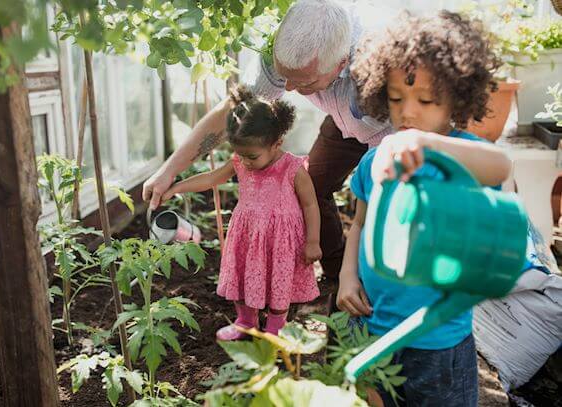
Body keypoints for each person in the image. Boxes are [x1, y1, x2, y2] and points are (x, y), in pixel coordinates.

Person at [143, 0, 397, 282]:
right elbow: (233, 112)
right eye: (284, 76)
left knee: (383, 210)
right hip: (343, 122)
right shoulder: (283, 49)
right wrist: (168, 171)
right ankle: (337, 276)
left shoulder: (383, 59)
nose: (288, 88)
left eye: (304, 82)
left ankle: (372, 286)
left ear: (341, 64)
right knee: (311, 188)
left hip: (394, 133)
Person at [338, 11, 514, 405]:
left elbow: (502, 166)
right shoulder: (375, 159)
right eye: (397, 99)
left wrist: (430, 145)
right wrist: (347, 276)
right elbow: (360, 224)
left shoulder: (464, 159)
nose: (408, 113)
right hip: (371, 327)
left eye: (426, 100)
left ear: (456, 98)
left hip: (435, 340)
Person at [162, 86, 321, 339]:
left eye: (252, 156)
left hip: (280, 240)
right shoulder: (240, 162)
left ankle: (275, 326)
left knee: (278, 283)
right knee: (244, 279)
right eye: (240, 154)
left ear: (276, 143)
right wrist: (176, 186)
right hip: (248, 235)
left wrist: (313, 241)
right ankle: (246, 321)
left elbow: (311, 205)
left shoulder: (292, 168)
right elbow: (211, 178)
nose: (245, 162)